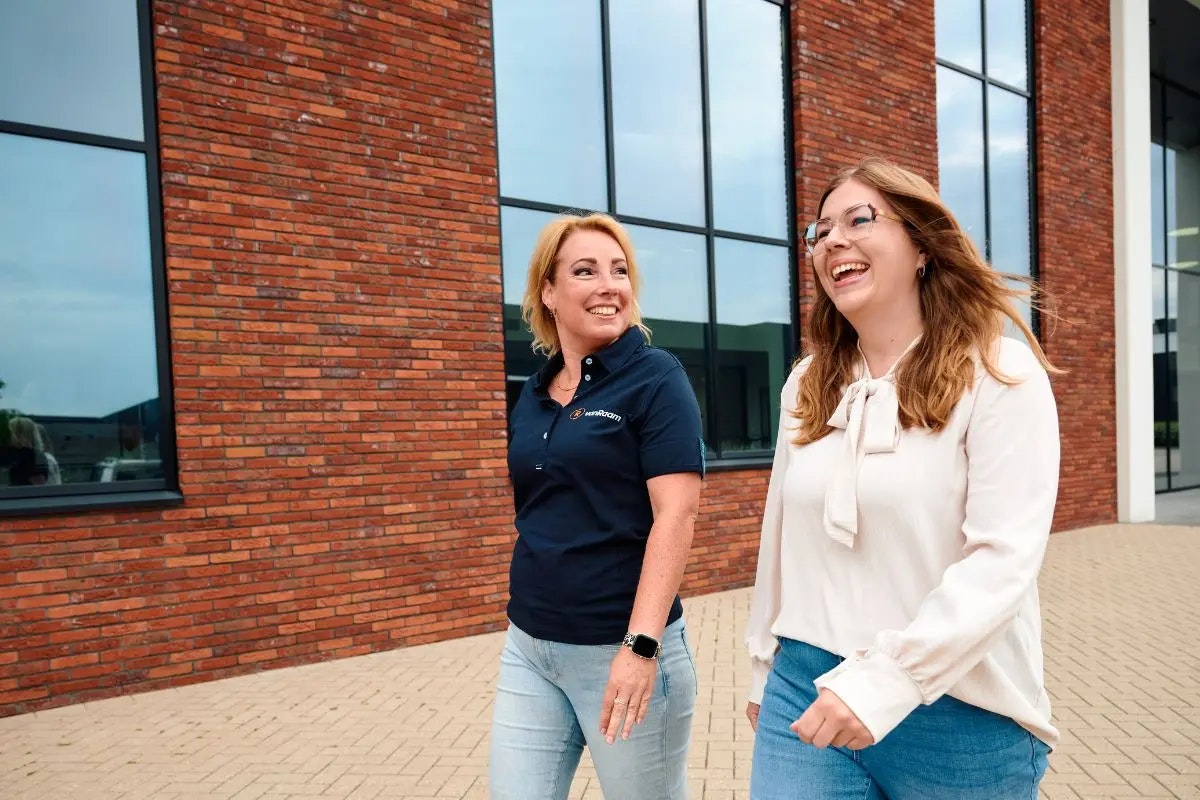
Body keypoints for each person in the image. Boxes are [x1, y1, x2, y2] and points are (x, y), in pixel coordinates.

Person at [745, 157, 1060, 799]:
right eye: (820, 230)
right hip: (805, 688)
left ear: (920, 246)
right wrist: (762, 669)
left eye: (859, 220)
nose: (833, 240)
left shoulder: (1001, 373)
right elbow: (779, 540)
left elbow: (1002, 562)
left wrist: (885, 683)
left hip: (960, 711)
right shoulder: (809, 381)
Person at [490, 212, 706, 800]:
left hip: (623, 650)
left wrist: (640, 648)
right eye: (585, 271)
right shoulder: (534, 393)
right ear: (549, 293)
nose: (609, 284)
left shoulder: (655, 379)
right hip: (531, 648)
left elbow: (676, 517)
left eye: (619, 270)